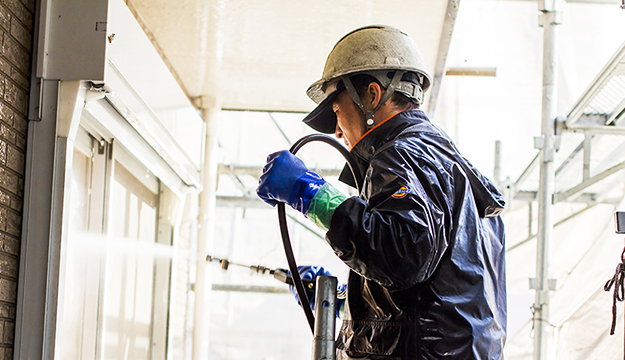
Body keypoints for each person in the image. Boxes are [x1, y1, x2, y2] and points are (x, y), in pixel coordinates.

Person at [257, 25, 506, 359]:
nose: (337, 129)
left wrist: (311, 193)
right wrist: (343, 301)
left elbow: (402, 256)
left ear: (372, 96)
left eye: (336, 109)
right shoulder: (444, 164)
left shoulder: (403, 153)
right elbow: (432, 295)